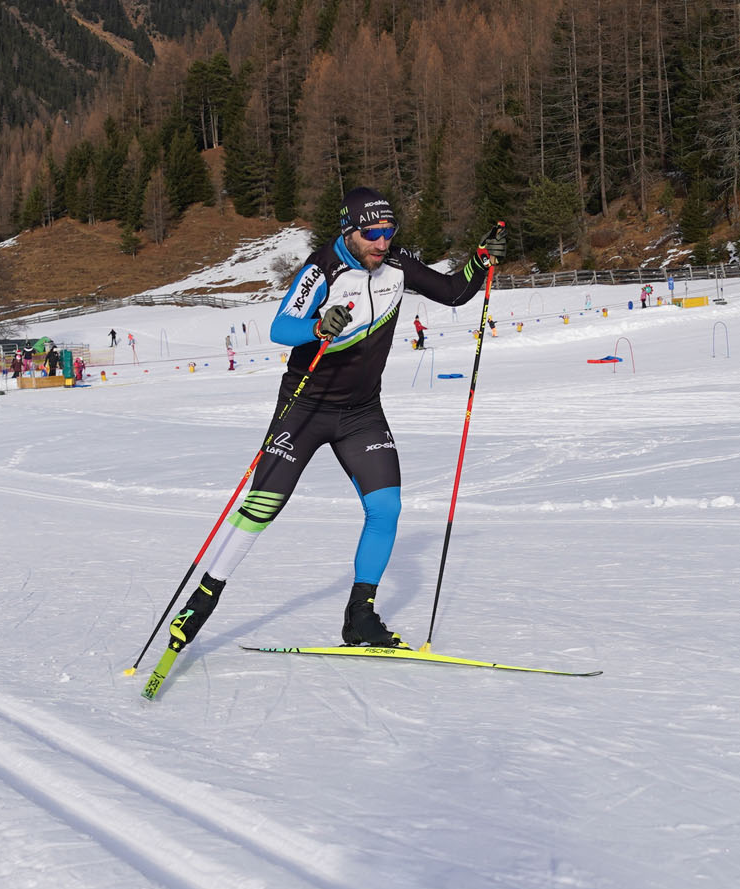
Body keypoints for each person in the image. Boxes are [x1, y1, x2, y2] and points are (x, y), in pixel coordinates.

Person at [163, 188, 507, 656]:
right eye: (372, 234)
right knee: (263, 506)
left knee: (386, 508)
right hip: (305, 409)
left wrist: (480, 261)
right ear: (349, 230)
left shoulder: (398, 264)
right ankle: (201, 601)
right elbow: (281, 327)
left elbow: (452, 293)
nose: (382, 243)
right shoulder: (321, 269)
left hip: (362, 412)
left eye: (389, 232)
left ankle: (360, 617)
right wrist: (319, 325)